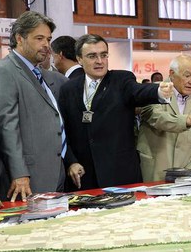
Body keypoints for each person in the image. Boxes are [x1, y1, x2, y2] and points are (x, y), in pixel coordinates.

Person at [58, 34, 173, 191]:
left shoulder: (121, 80)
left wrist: (158, 91)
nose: (99, 61)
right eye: (92, 56)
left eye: (103, 55)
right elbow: (63, 131)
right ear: (79, 59)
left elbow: (137, 91)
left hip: (120, 175)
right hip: (84, 176)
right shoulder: (68, 89)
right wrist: (71, 161)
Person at [0, 11, 68, 202]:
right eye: (39, 38)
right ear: (19, 38)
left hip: (55, 172)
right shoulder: (3, 71)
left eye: (48, 39)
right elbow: (5, 127)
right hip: (26, 179)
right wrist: (19, 173)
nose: (46, 45)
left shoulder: (40, 74)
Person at [137, 54, 191, 182]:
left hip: (185, 176)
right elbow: (158, 118)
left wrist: (188, 172)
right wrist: (187, 120)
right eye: (187, 75)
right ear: (171, 74)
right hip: (153, 171)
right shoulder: (154, 92)